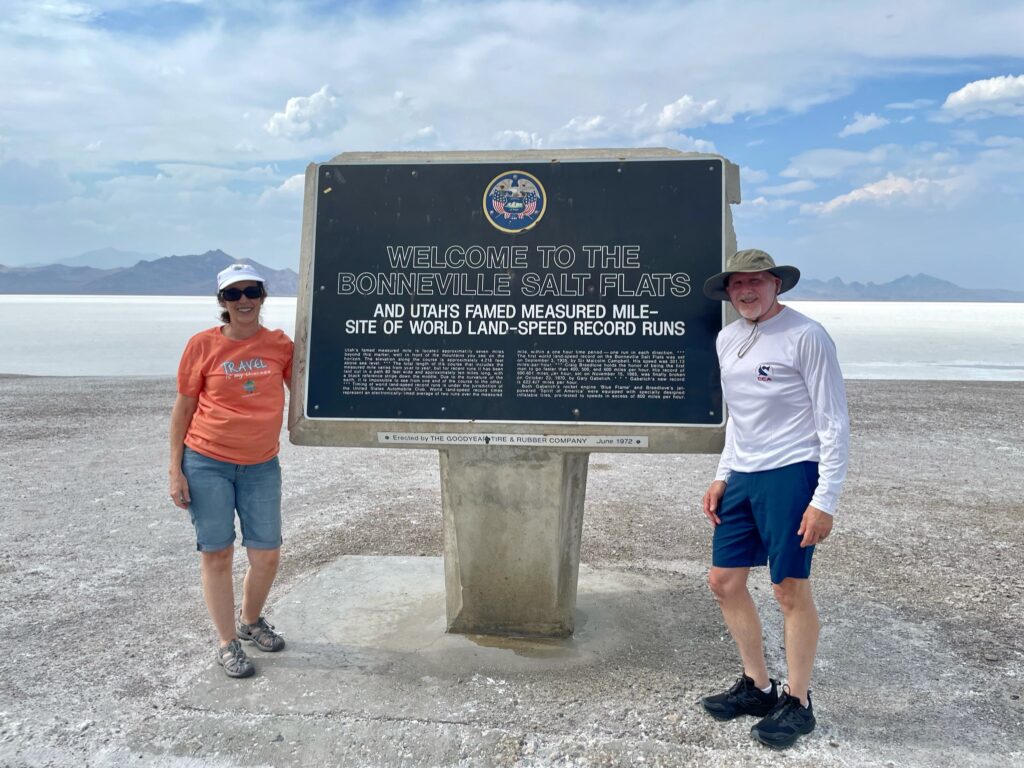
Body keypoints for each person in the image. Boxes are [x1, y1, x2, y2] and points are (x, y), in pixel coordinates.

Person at [699, 248, 849, 748]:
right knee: (724, 581)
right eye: (737, 284)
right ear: (728, 291)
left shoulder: (806, 336)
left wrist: (824, 498)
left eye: (756, 282)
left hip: (792, 473)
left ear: (776, 285)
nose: (746, 291)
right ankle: (759, 687)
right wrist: (723, 474)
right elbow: (740, 420)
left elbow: (832, 422)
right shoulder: (728, 338)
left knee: (788, 588)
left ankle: (799, 702)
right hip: (742, 474)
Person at [168, 263, 294, 678]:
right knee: (217, 553)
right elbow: (183, 408)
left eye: (251, 291)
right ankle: (227, 643)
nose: (244, 301)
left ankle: (250, 620)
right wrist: (175, 469)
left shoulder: (280, 345)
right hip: (207, 462)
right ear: (222, 301)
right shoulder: (202, 345)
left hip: (261, 465)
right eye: (233, 294)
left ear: (263, 295)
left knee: (267, 555)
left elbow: (312, 386)